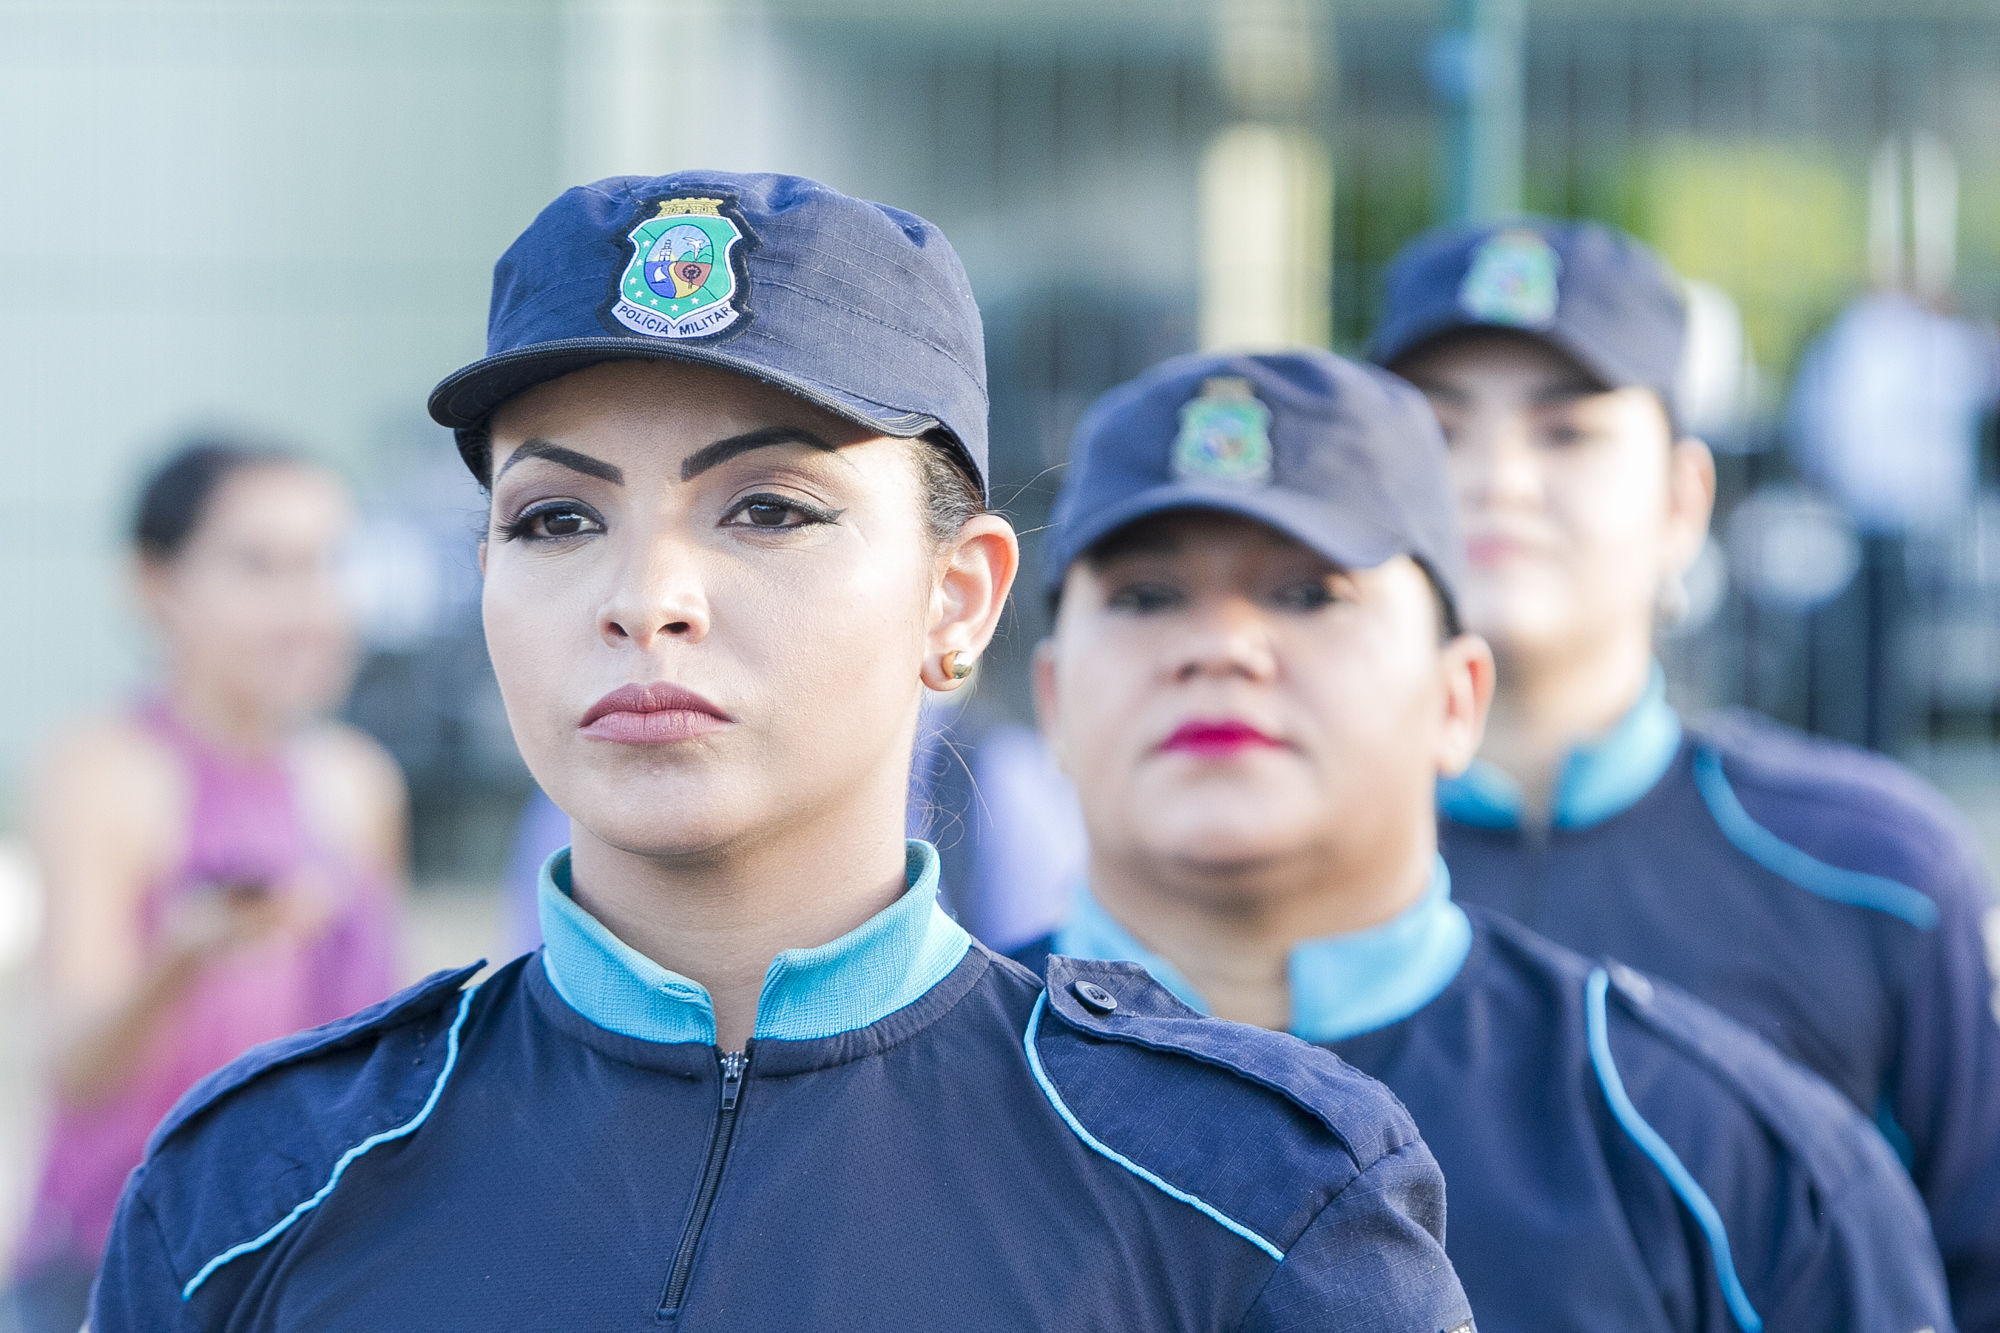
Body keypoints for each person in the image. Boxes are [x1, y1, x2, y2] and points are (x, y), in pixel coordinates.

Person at [90, 173, 1474, 1331]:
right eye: (557, 520)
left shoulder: (1247, 1195)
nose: (648, 594)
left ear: (960, 598)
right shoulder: (259, 1189)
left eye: (767, 509)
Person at [1015, 347, 1955, 1331]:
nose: (1220, 646)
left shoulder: (1725, 1160)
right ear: (1051, 700)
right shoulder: (890, 1106)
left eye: (1306, 593)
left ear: (1456, 696)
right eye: (1144, 597)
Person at [1370, 218, 2000, 1327]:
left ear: (1681, 499)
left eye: (1563, 432)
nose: (1495, 478)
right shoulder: (1267, 868)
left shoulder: (1869, 873)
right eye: (1439, 428)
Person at [10, 444, 405, 1333]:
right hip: (120, 1264)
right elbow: (77, 1065)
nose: (309, 604)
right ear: (157, 584)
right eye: (259, 565)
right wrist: (183, 956)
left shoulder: (358, 783)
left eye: (327, 562)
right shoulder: (103, 771)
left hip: (307, 1259)